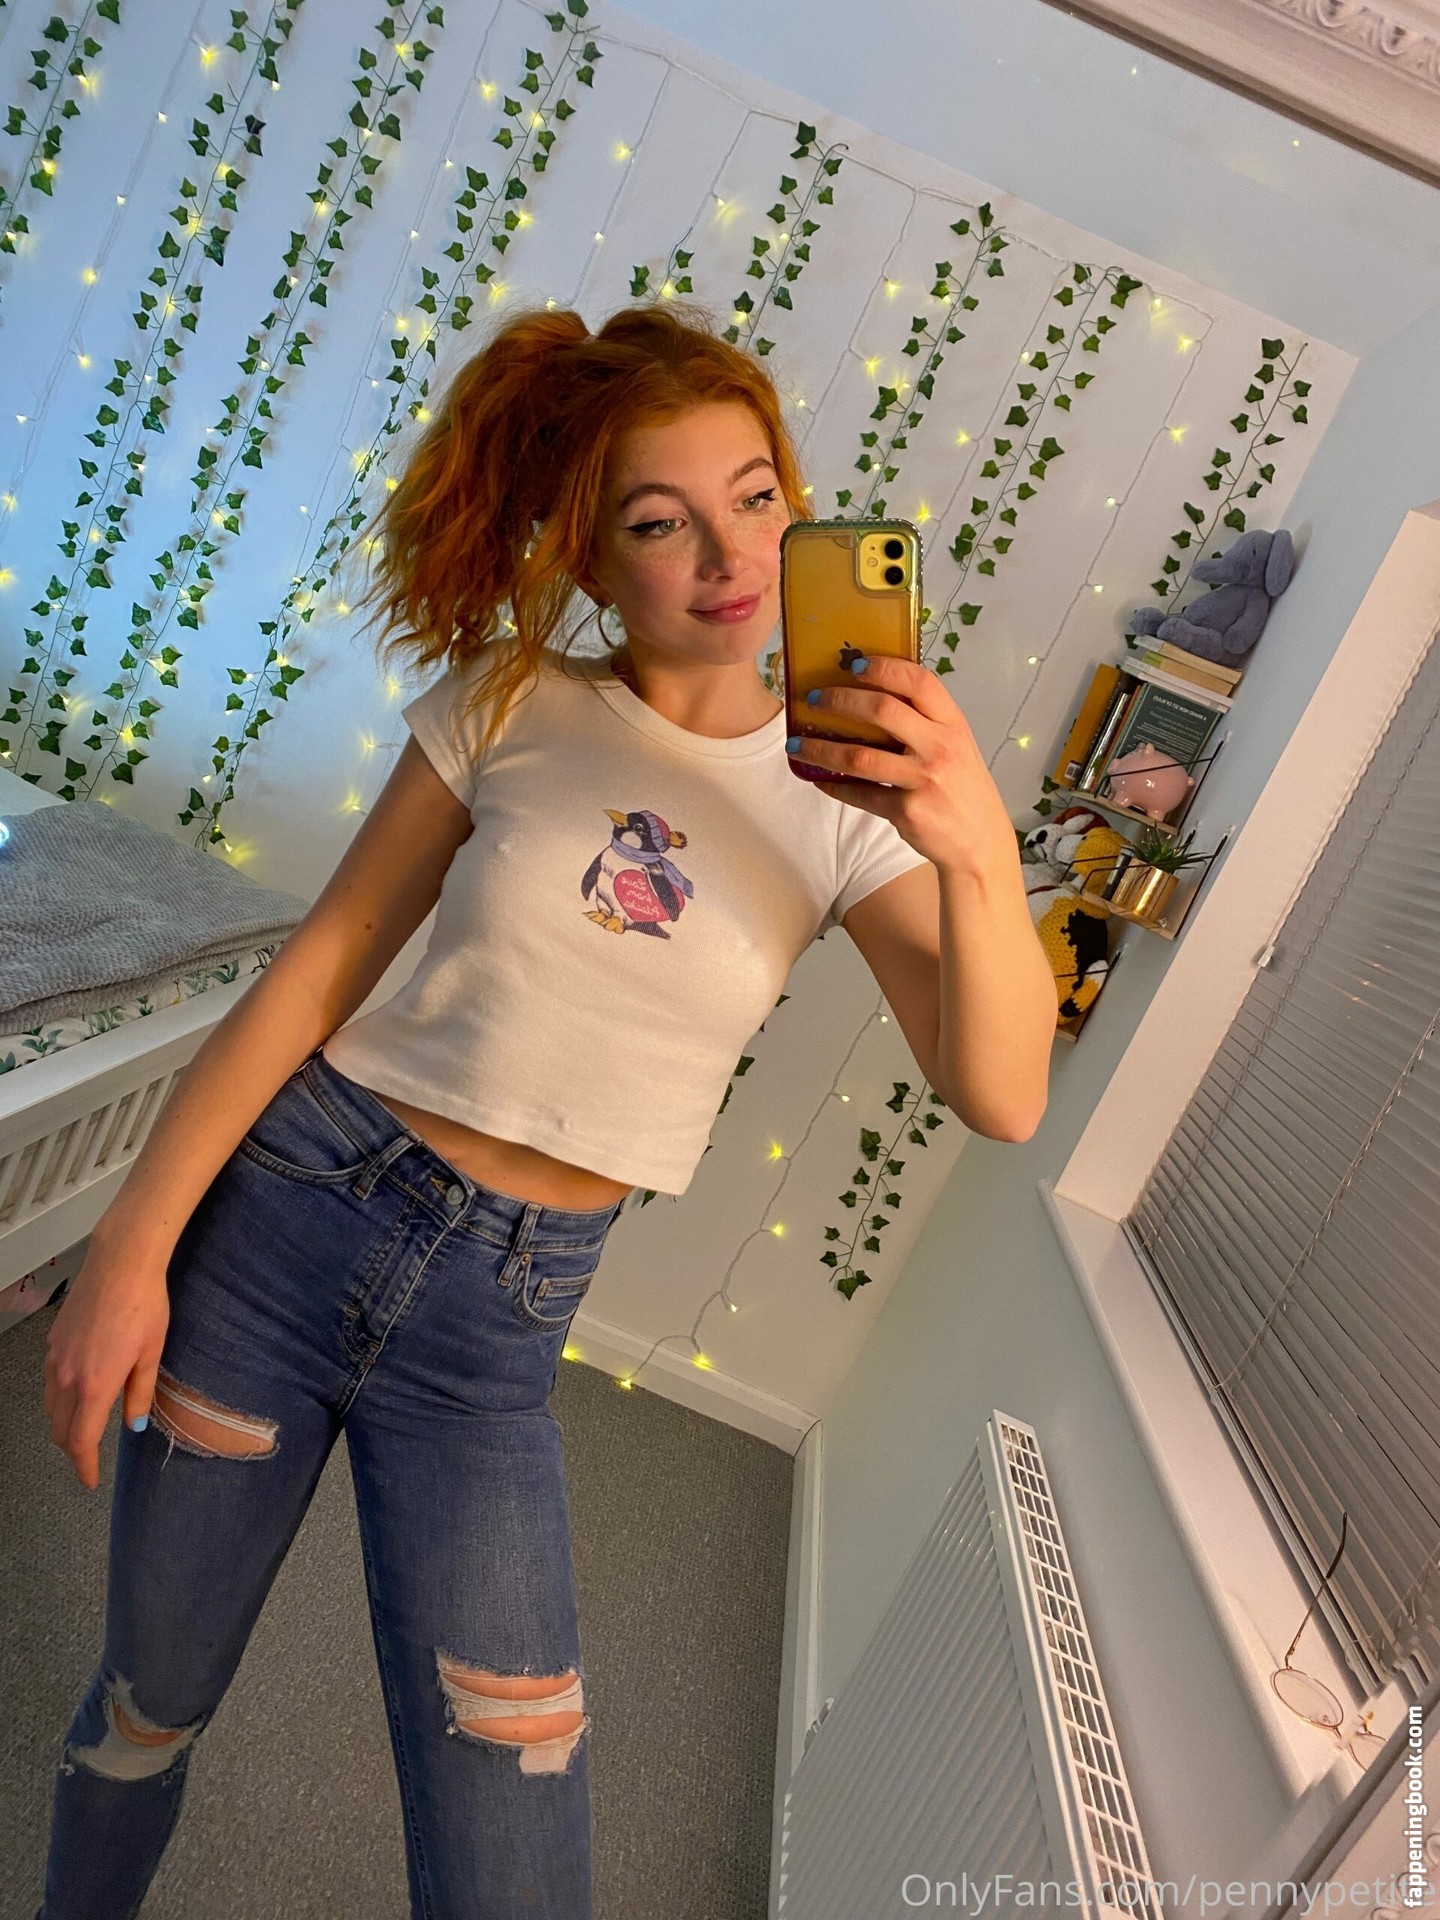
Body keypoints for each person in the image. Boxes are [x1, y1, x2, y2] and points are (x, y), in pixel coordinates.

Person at [35, 298, 971, 1918]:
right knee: (146, 1708)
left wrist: (974, 843)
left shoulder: (847, 804)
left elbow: (996, 1084)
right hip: (289, 1223)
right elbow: (316, 973)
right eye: (659, 522)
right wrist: (129, 1246)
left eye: (756, 497)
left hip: (495, 1337)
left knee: (513, 1854)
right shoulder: (514, 696)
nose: (728, 555)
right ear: (593, 556)